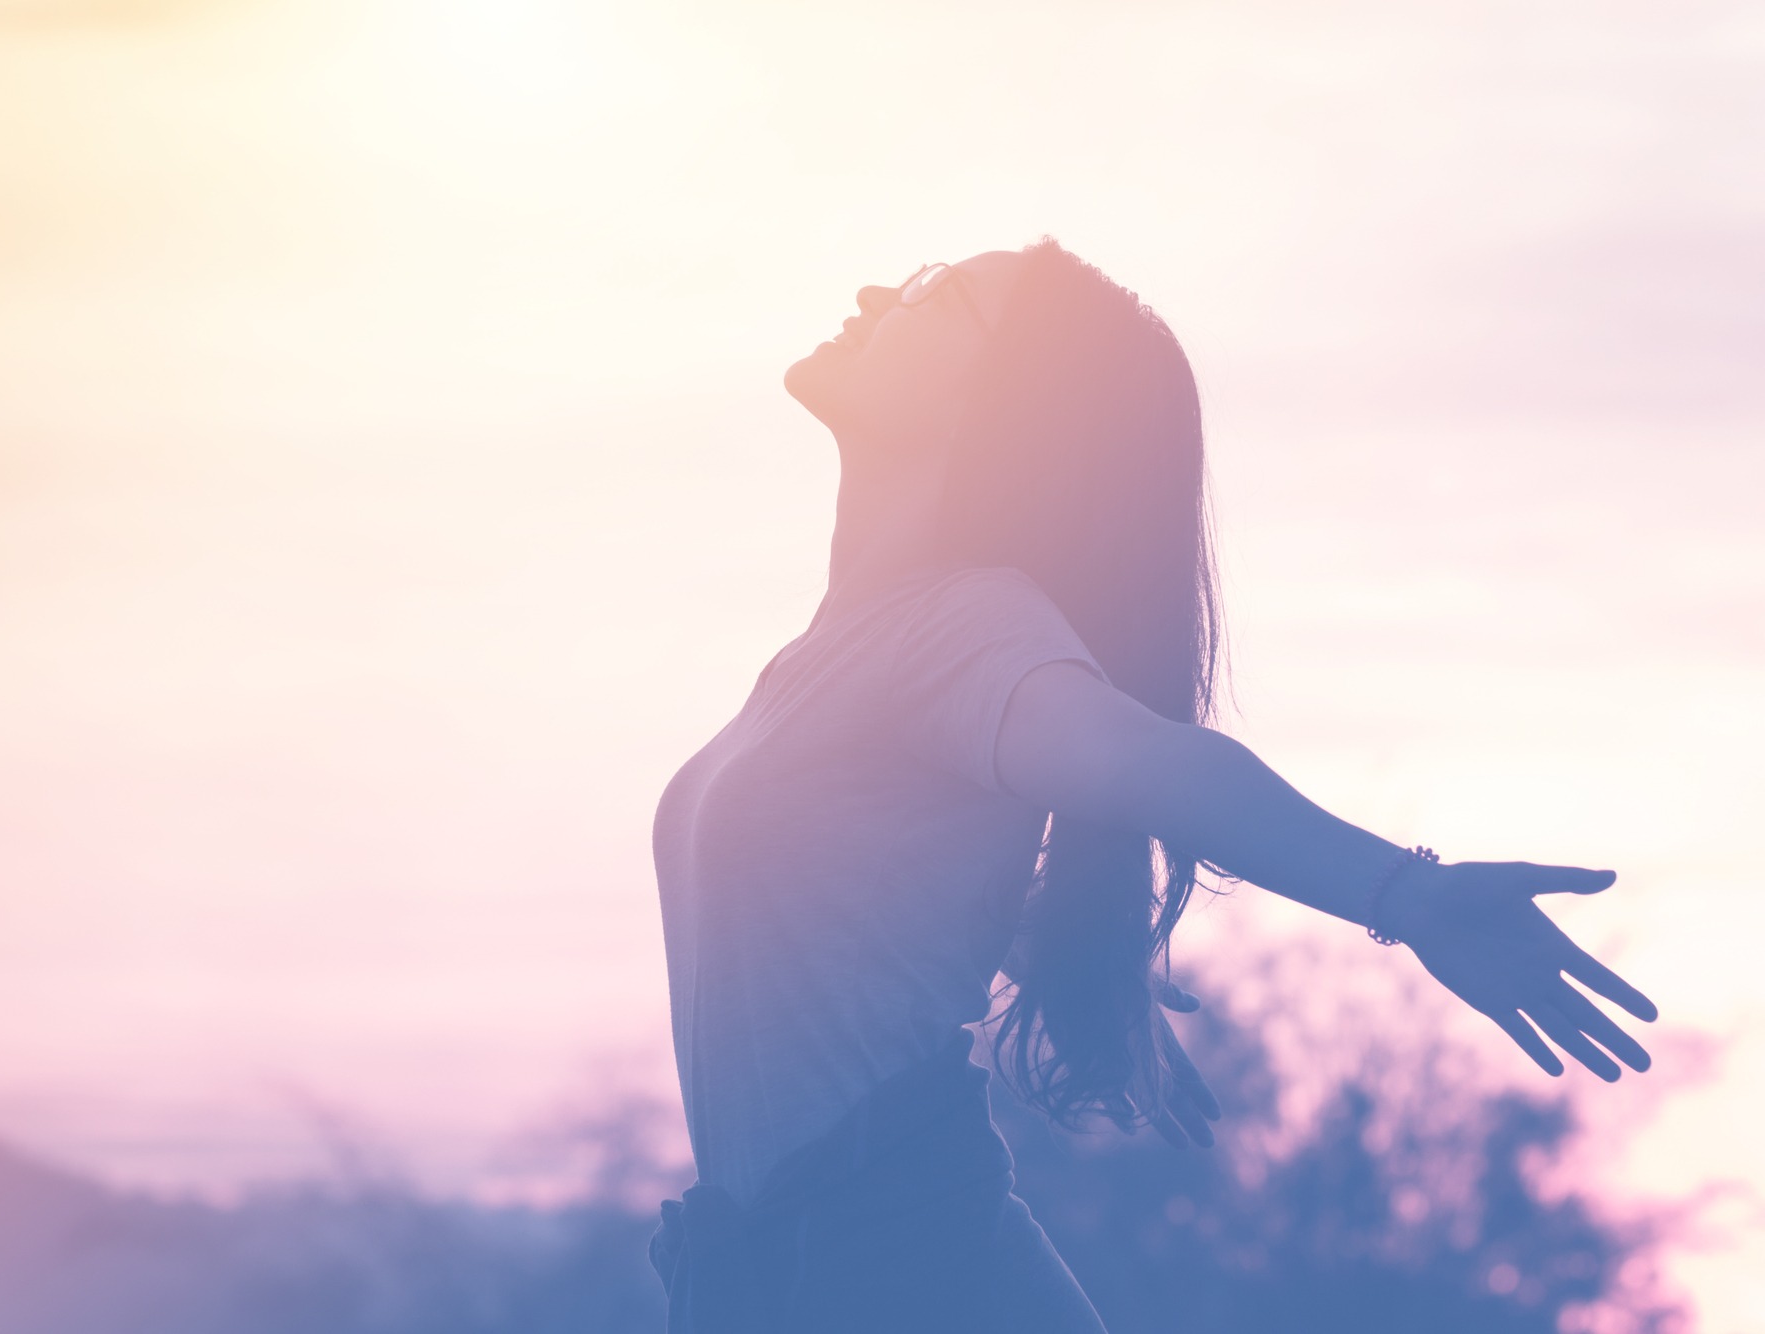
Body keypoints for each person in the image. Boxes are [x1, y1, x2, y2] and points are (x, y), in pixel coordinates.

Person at [647, 240, 1657, 1333]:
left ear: (995, 402)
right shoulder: (842, 652)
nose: (876, 294)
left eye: (937, 293)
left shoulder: (960, 626)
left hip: (899, 1267)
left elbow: (1151, 760)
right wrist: (1060, 948)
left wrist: (1399, 892)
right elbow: (851, 895)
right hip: (800, 1265)